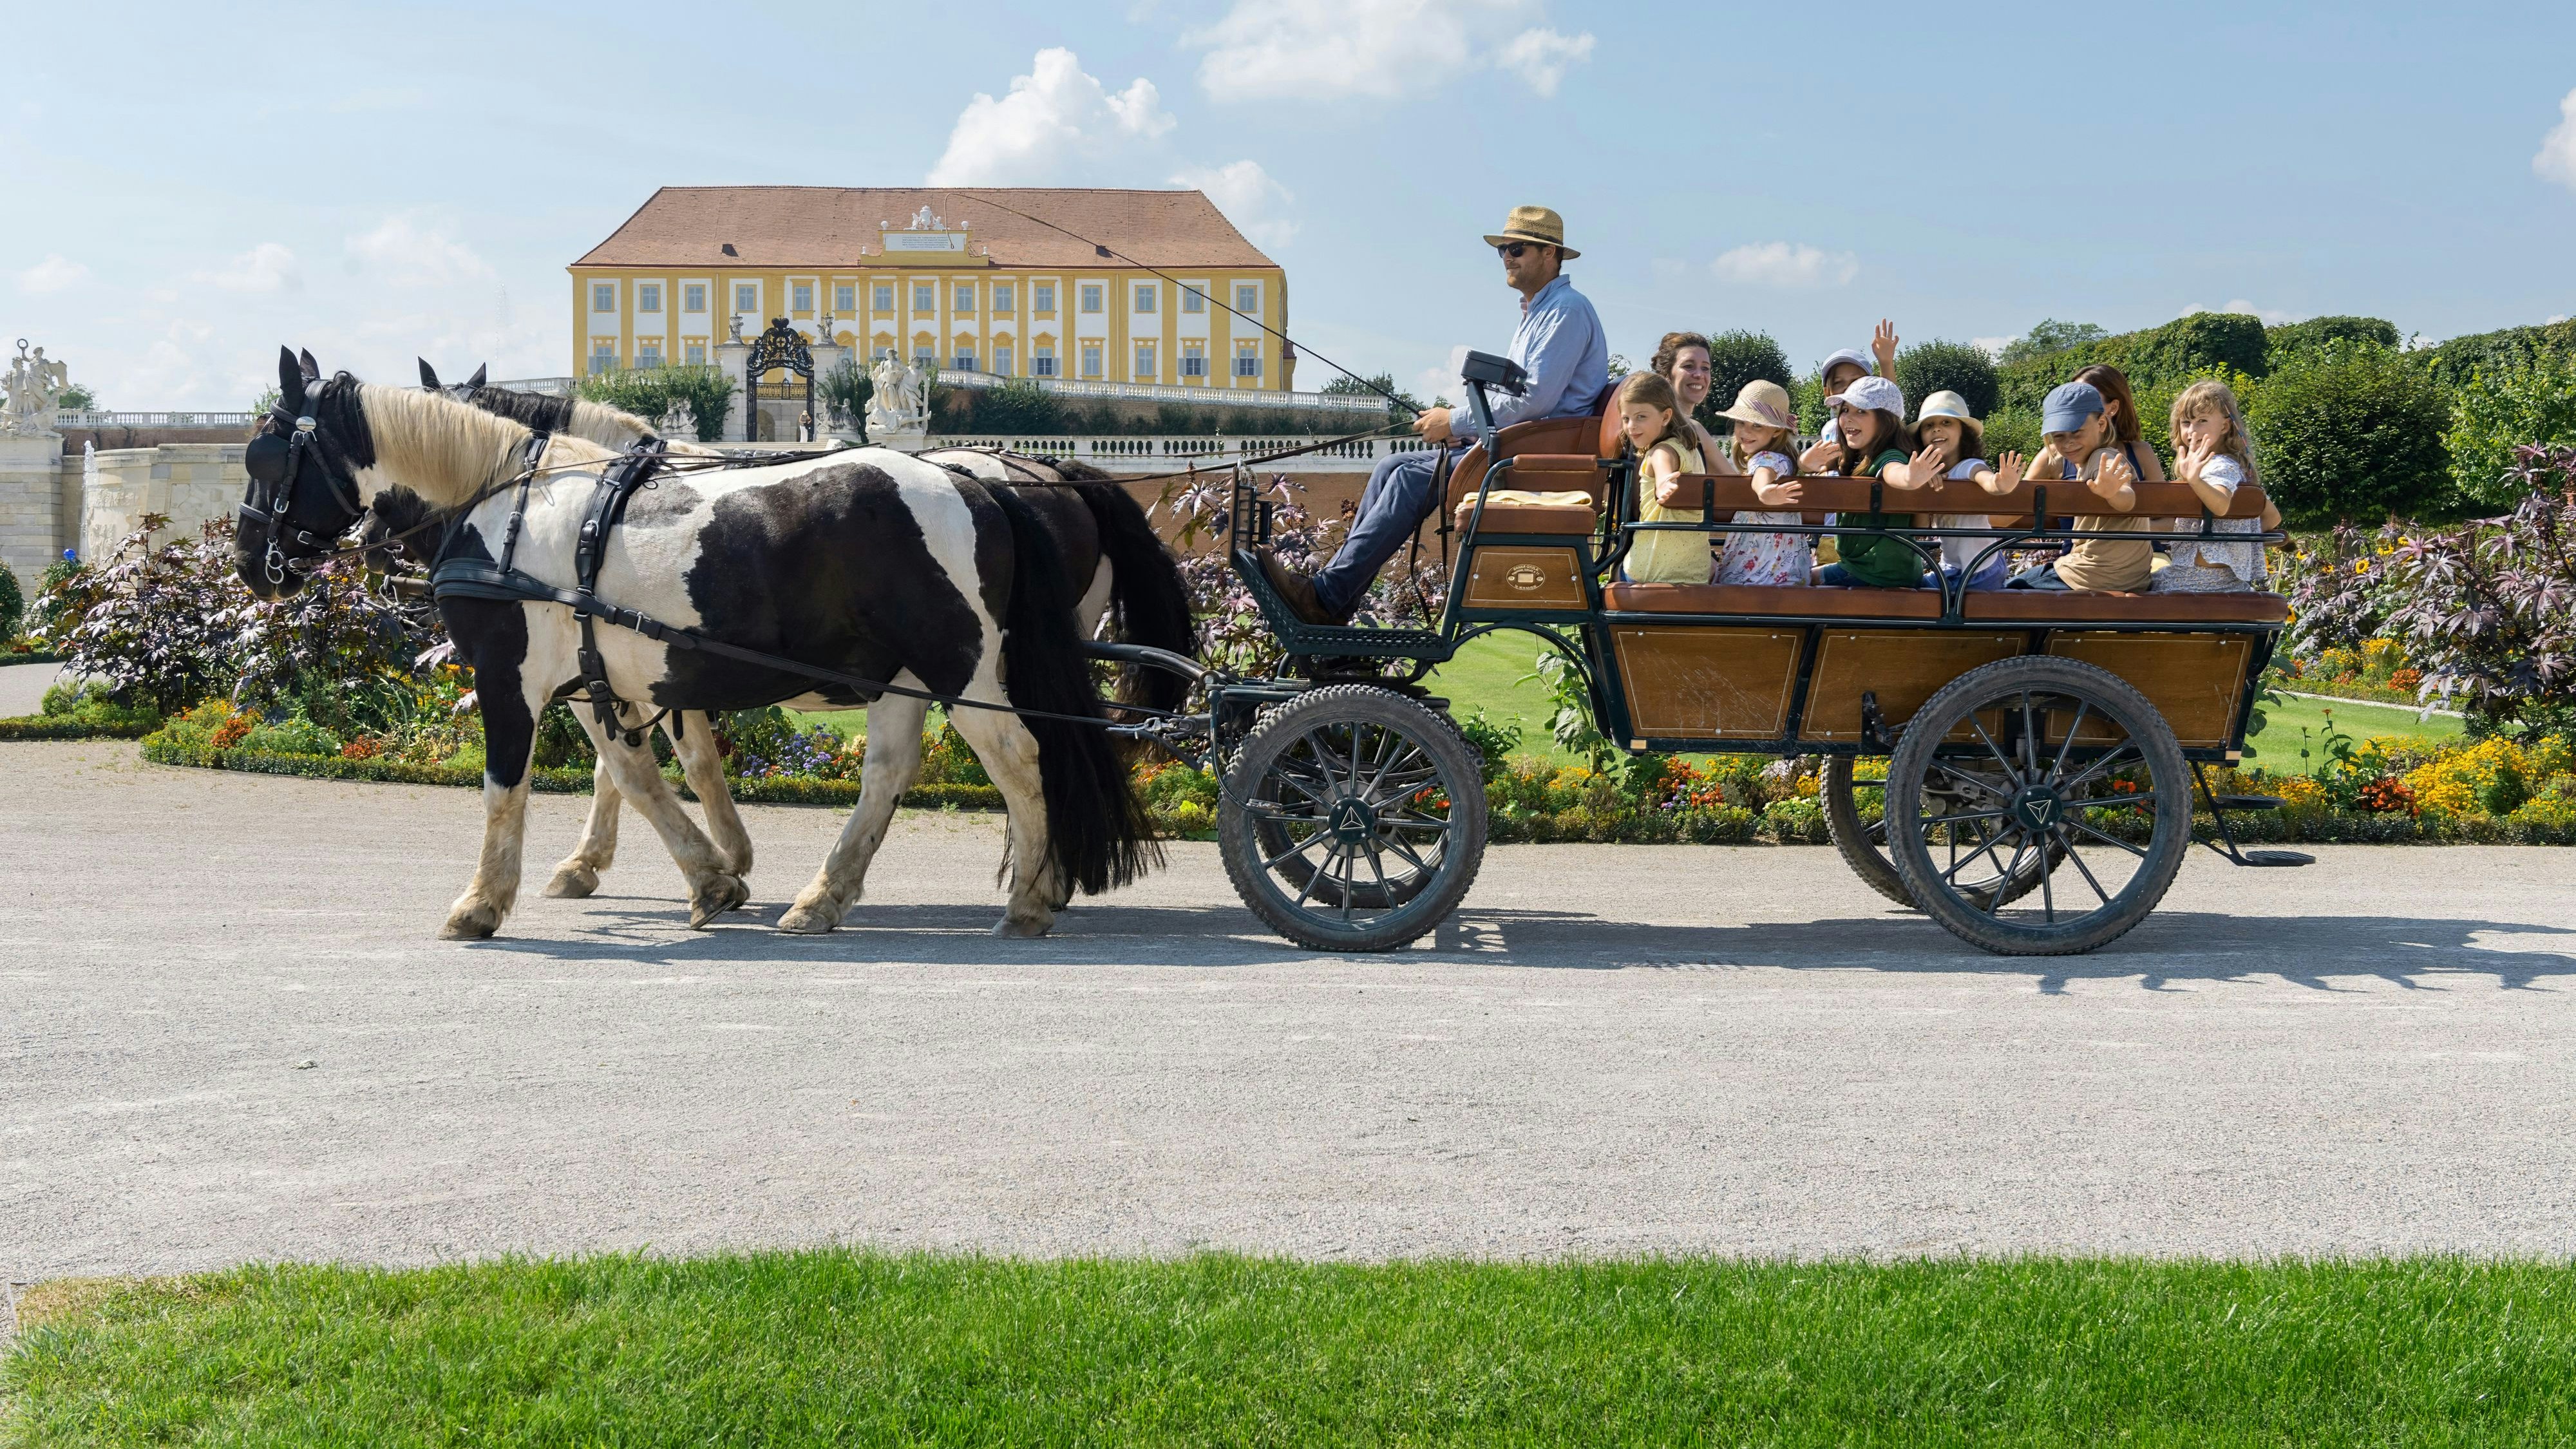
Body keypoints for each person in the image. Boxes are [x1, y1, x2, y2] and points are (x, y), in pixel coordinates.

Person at [1262, 205, 1607, 623]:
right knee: (1391, 465)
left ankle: (1328, 595)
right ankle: (1333, 604)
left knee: (1409, 478)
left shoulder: (1565, 311)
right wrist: (1467, 428)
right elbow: (1527, 399)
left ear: (1550, 254)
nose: (1507, 258)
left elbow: (1534, 400)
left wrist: (1456, 421)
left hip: (1539, 459)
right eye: (1502, 250)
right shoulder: (1541, 312)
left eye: (1517, 248)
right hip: (1522, 445)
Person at [2005, 381, 2150, 591]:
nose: (2068, 443)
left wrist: (2114, 493)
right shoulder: (2091, 460)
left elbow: (2127, 498)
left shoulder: (2103, 458)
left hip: (2093, 575)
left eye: (2077, 432)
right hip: (2125, 576)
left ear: (2101, 424)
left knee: (2007, 592)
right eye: (2059, 436)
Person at [1882, 390, 2025, 591]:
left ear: (1962, 432)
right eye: (1929, 425)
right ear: (1921, 437)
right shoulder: (1930, 476)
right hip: (1952, 569)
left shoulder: (1969, 466)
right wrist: (1923, 488)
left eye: (1946, 423)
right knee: (1913, 593)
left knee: (1920, 597)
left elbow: (1987, 480)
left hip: (1982, 569)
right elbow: (1921, 528)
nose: (1937, 430)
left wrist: (2002, 484)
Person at [2153, 379, 2278, 594]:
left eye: (2202, 420)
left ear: (2225, 425)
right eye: (2186, 422)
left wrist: (2194, 479)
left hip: (2196, 581)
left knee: (2134, 588)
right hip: (2226, 581)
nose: (2192, 430)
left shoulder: (2219, 466)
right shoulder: (2235, 468)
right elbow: (2273, 518)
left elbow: (2220, 505)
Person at [1813, 376, 1930, 587]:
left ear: (1886, 421)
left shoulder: (1888, 456)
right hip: (1881, 568)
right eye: (1845, 410)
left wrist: (1910, 477)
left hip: (1873, 571)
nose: (1848, 418)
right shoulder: (1859, 459)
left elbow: (1894, 471)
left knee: (1801, 580)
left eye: (1861, 411)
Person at [1710, 379, 1811, 587]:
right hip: (1789, 572)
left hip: (1755, 571)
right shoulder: (1785, 459)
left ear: (1776, 430)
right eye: (1741, 423)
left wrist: (1764, 491)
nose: (1746, 432)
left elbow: (1762, 474)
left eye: (1756, 425)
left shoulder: (1765, 458)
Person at [1616, 374, 1714, 583]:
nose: (1631, 426)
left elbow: (1664, 465)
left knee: (1611, 571)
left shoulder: (1660, 451)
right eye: (1626, 418)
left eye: (1641, 416)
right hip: (1695, 573)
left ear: (1666, 417)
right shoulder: (1691, 450)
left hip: (1650, 571)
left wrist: (1663, 484)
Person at [1799, 320, 1902, 471]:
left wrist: (1885, 362)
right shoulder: (1831, 429)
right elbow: (1824, 466)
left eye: (1856, 381)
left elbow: (1887, 400)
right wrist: (1804, 464)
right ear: (1827, 392)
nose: (1848, 388)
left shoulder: (1880, 422)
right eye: (1839, 382)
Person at [1649, 330, 1743, 470]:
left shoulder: (1695, 429)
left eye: (1705, 368)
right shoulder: (1656, 426)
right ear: (1666, 374)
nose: (1699, 375)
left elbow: (1730, 484)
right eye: (1688, 366)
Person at [2073, 363, 2168, 482]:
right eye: (2071, 398)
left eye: (2087, 400)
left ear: (2113, 408)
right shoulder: (2054, 456)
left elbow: (2162, 499)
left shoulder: (2140, 452)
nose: (2075, 406)